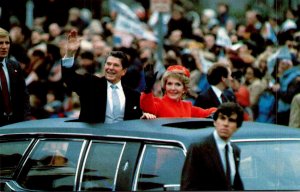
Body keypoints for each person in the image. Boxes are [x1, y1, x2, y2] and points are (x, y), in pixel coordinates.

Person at [61, 29, 155, 123]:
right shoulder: (90, 84)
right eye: (108, 64)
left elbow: (134, 121)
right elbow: (69, 78)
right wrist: (70, 53)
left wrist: (144, 117)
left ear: (124, 71)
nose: (110, 68)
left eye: (116, 65)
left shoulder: (133, 95)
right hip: (95, 136)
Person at [181, 102, 244, 190]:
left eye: (231, 120)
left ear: (237, 127)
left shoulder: (234, 151)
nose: (226, 124)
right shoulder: (198, 148)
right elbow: (188, 187)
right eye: (222, 118)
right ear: (215, 122)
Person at [140, 65, 216, 118]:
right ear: (165, 86)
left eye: (178, 84)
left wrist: (223, 110)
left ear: (184, 89)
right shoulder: (159, 104)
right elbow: (147, 107)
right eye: (169, 84)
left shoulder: (187, 107)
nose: (173, 88)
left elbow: (207, 112)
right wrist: (147, 89)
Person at [0, 27, 30, 126]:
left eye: (7, 43)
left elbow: (24, 94)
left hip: (16, 123)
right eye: (0, 43)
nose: (4, 47)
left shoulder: (14, 65)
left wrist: (25, 118)